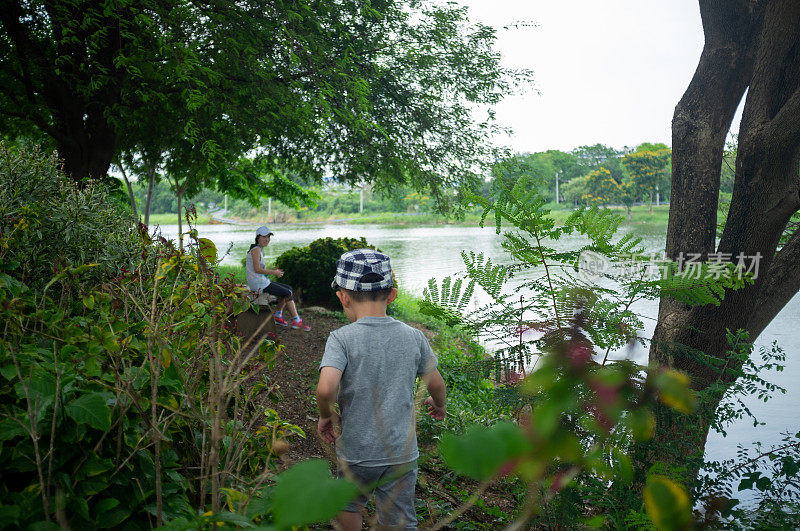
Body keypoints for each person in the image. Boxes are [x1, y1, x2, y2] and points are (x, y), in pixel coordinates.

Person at [316, 249, 447, 530]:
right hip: (401, 452)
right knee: (399, 517)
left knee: (348, 504)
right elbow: (436, 383)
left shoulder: (341, 339)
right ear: (392, 295)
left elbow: (326, 389)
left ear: (342, 296)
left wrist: (326, 415)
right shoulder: (414, 337)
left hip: (357, 451)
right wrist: (440, 405)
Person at [245, 226, 310, 331]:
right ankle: (296, 321)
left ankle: (278, 316)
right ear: (258, 238)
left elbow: (259, 270)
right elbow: (257, 269)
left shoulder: (259, 249)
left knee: (288, 288)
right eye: (264, 237)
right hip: (258, 284)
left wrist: (272, 271)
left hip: (261, 282)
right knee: (287, 293)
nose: (267, 239)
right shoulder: (256, 250)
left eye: (268, 237)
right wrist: (274, 272)